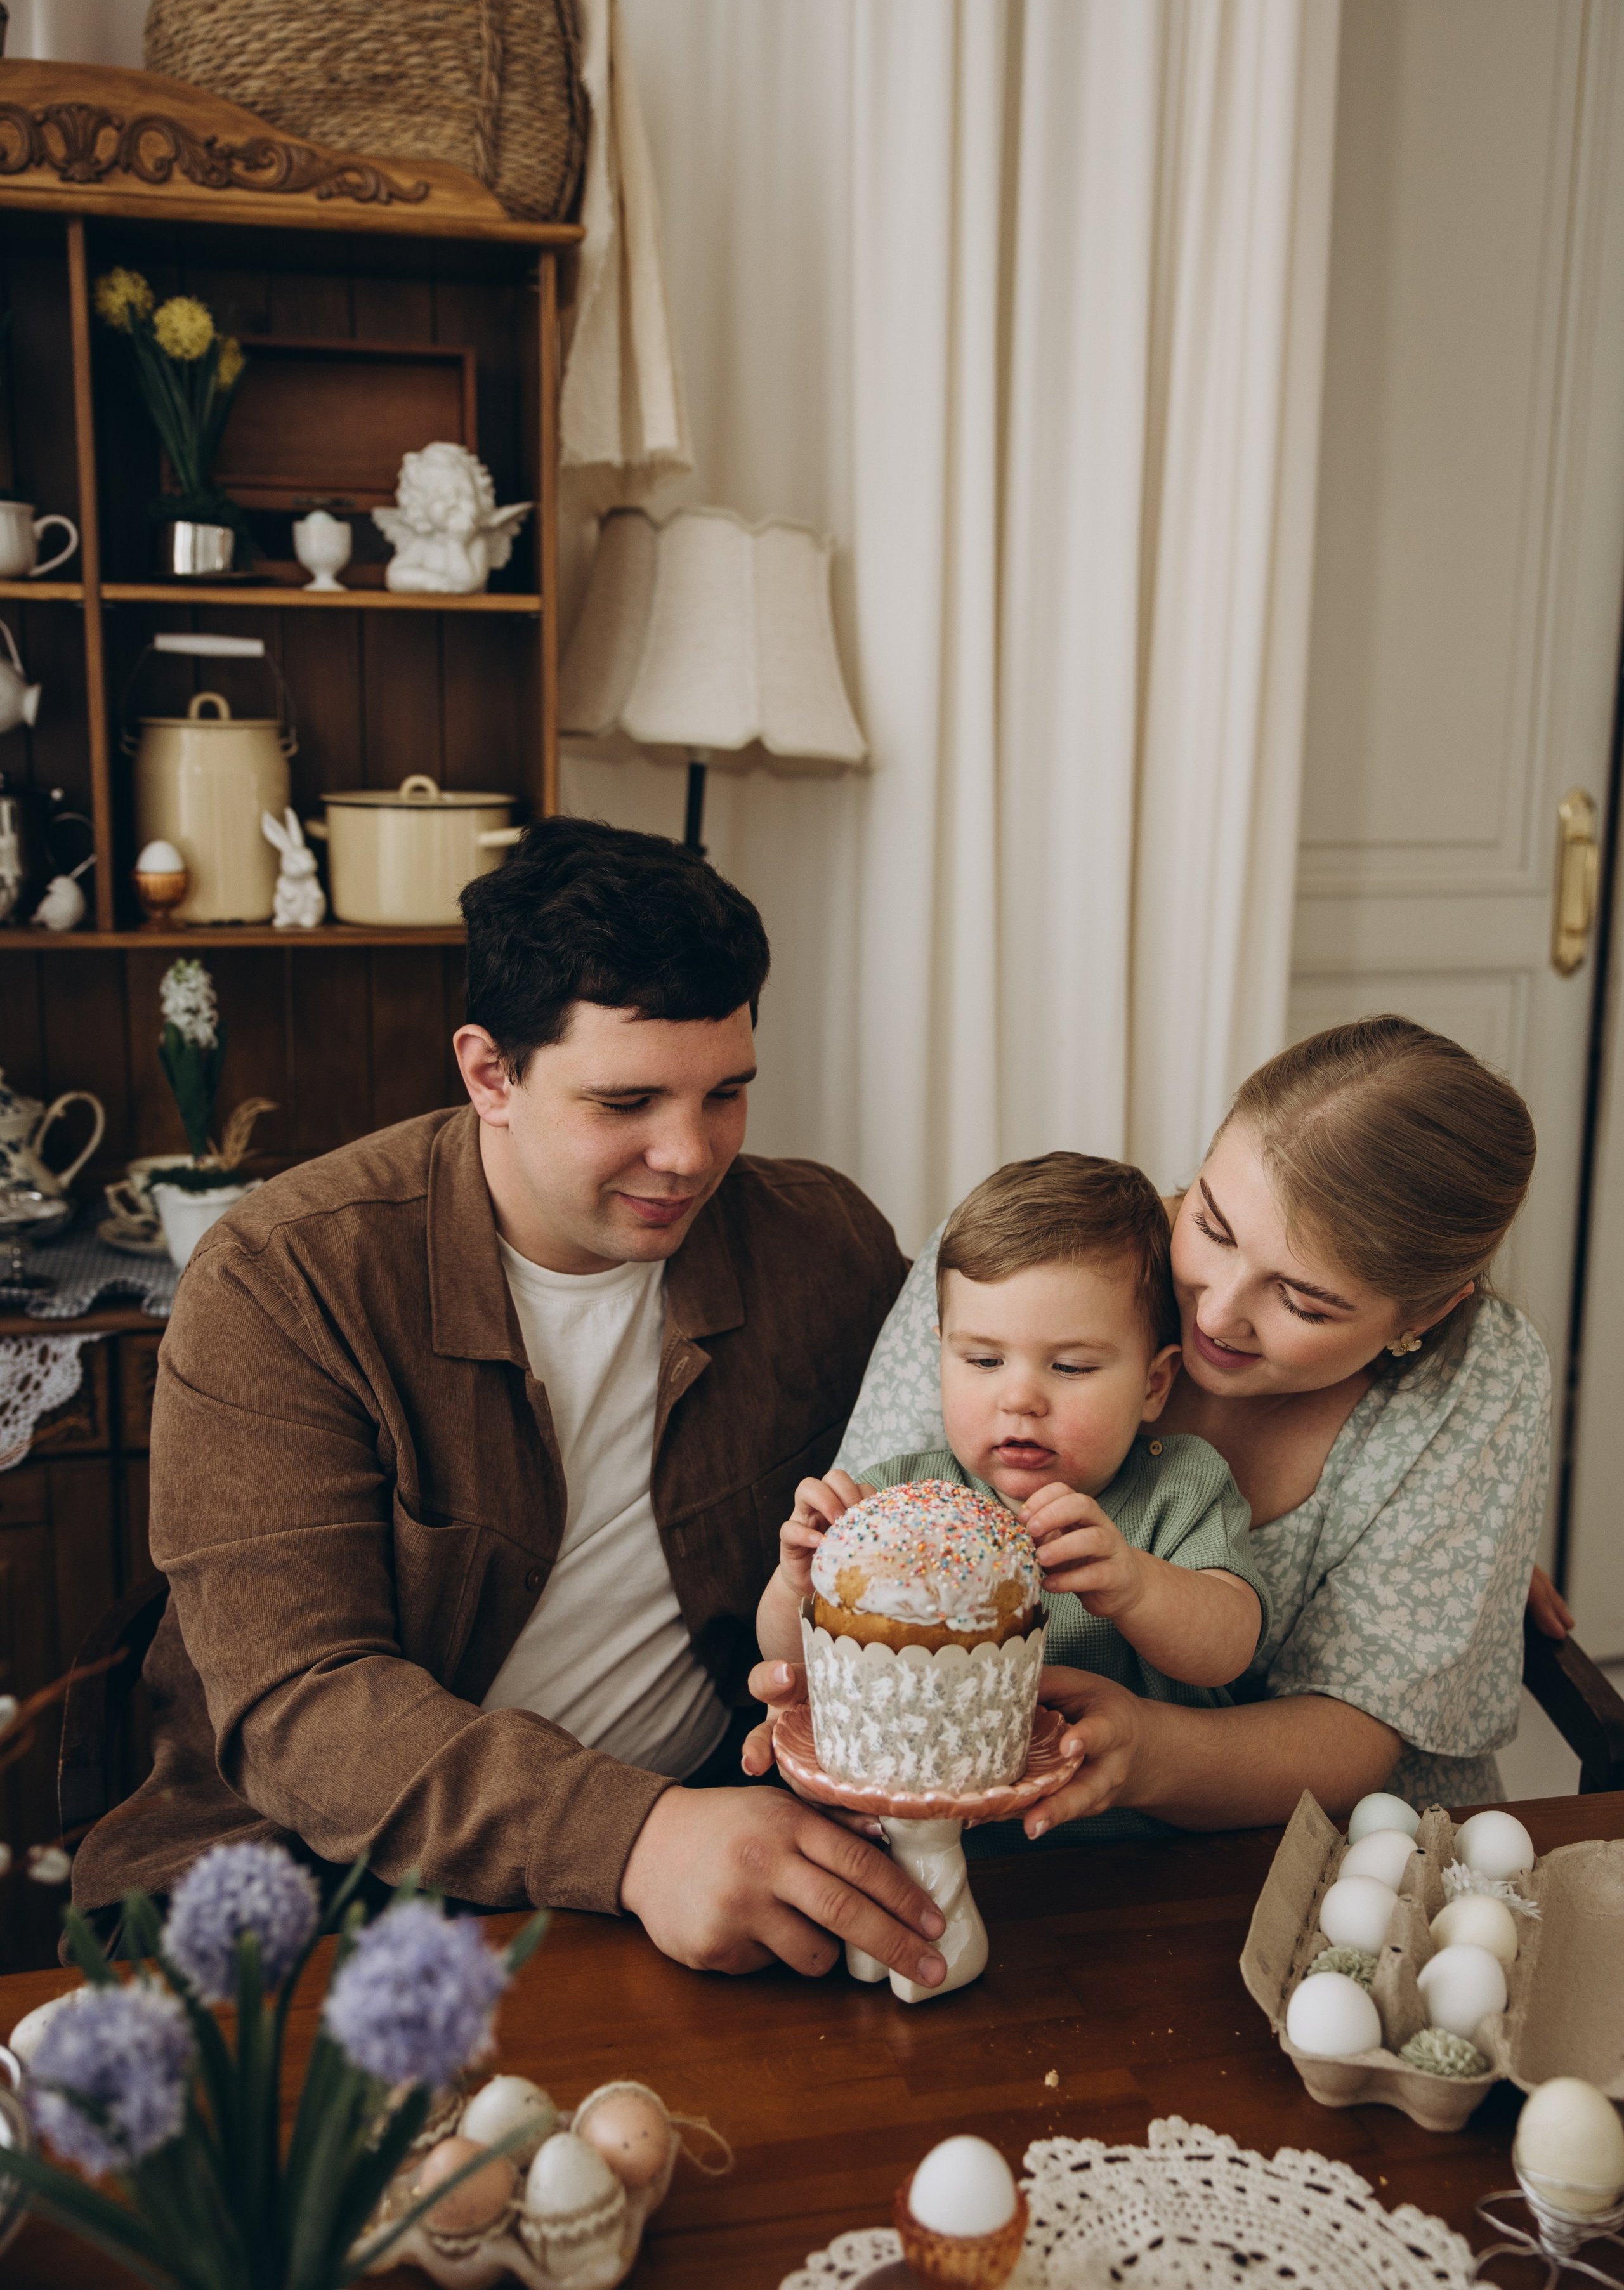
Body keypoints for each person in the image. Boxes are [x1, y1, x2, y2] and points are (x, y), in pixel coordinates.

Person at [72, 818, 953, 1993]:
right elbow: (304, 1710)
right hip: (314, 1887)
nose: (690, 1155)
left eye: (727, 1094)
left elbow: (966, 1477)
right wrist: (635, 1837)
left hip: (702, 1877)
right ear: (490, 1073)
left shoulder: (823, 1245)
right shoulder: (282, 1283)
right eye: (627, 1101)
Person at [751, 1018, 1548, 1836]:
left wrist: (1140, 1750)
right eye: (1210, 1225)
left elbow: (1350, 1738)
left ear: (1423, 1315)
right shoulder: (1026, 1264)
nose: (1217, 1311)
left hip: (1324, 1844)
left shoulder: (1474, 1378)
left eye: (1303, 1301)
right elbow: (844, 1591)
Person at [759, 1154, 1269, 1722]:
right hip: (943, 1802)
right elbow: (796, 1667)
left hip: (1128, 1805)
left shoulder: (1180, 1489)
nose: (1020, 1398)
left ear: (1154, 1385)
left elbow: (1230, 1650)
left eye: (1071, 1367)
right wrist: (796, 1582)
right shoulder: (893, 1499)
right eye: (983, 1359)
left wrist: (1136, 1585)